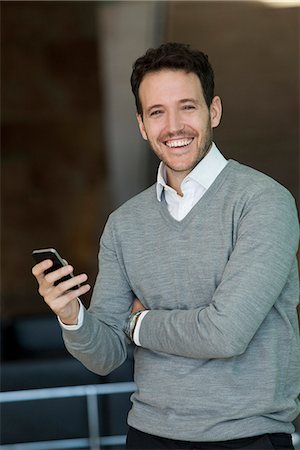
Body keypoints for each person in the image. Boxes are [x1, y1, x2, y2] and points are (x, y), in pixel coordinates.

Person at [32, 42, 300, 450]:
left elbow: (224, 334)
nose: (174, 126)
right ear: (142, 124)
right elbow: (105, 356)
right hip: (148, 437)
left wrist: (138, 324)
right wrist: (72, 316)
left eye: (187, 107)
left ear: (214, 111)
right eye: (157, 112)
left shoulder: (264, 203)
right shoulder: (124, 224)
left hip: (247, 437)